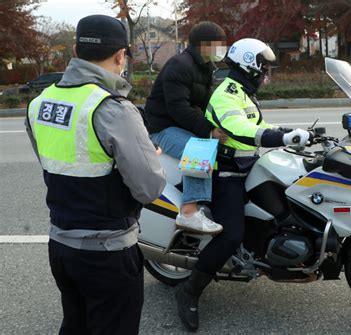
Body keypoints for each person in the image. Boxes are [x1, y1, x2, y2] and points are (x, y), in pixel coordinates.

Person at [25, 15, 166, 335]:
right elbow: (150, 188)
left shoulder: (40, 103)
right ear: (121, 56)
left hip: (60, 246)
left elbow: (54, 162)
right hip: (109, 252)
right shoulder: (113, 108)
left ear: (75, 49)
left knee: (75, 324)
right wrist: (150, 160)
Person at [174, 38, 311, 331]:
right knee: (230, 234)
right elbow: (239, 129)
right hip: (226, 171)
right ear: (249, 65)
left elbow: (258, 127)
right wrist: (280, 137)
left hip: (248, 165)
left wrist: (286, 133)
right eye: (263, 68)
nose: (266, 75)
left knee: (285, 204)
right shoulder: (226, 94)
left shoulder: (244, 93)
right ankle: (189, 292)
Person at [144, 21, 228, 234]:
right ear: (203, 45)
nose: (222, 48)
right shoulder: (180, 65)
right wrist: (209, 131)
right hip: (162, 128)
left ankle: (206, 204)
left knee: (214, 149)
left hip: (179, 125)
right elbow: (178, 108)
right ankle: (189, 213)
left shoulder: (205, 67)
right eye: (218, 44)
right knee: (198, 150)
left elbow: (204, 104)